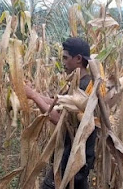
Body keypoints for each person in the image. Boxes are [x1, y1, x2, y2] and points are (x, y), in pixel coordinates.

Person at [24, 37, 96, 189]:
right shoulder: (77, 82)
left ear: (78, 59)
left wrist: (33, 96)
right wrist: (31, 93)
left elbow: (60, 119)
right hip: (74, 154)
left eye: (65, 58)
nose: (62, 62)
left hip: (74, 156)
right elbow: (57, 103)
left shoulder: (85, 87)